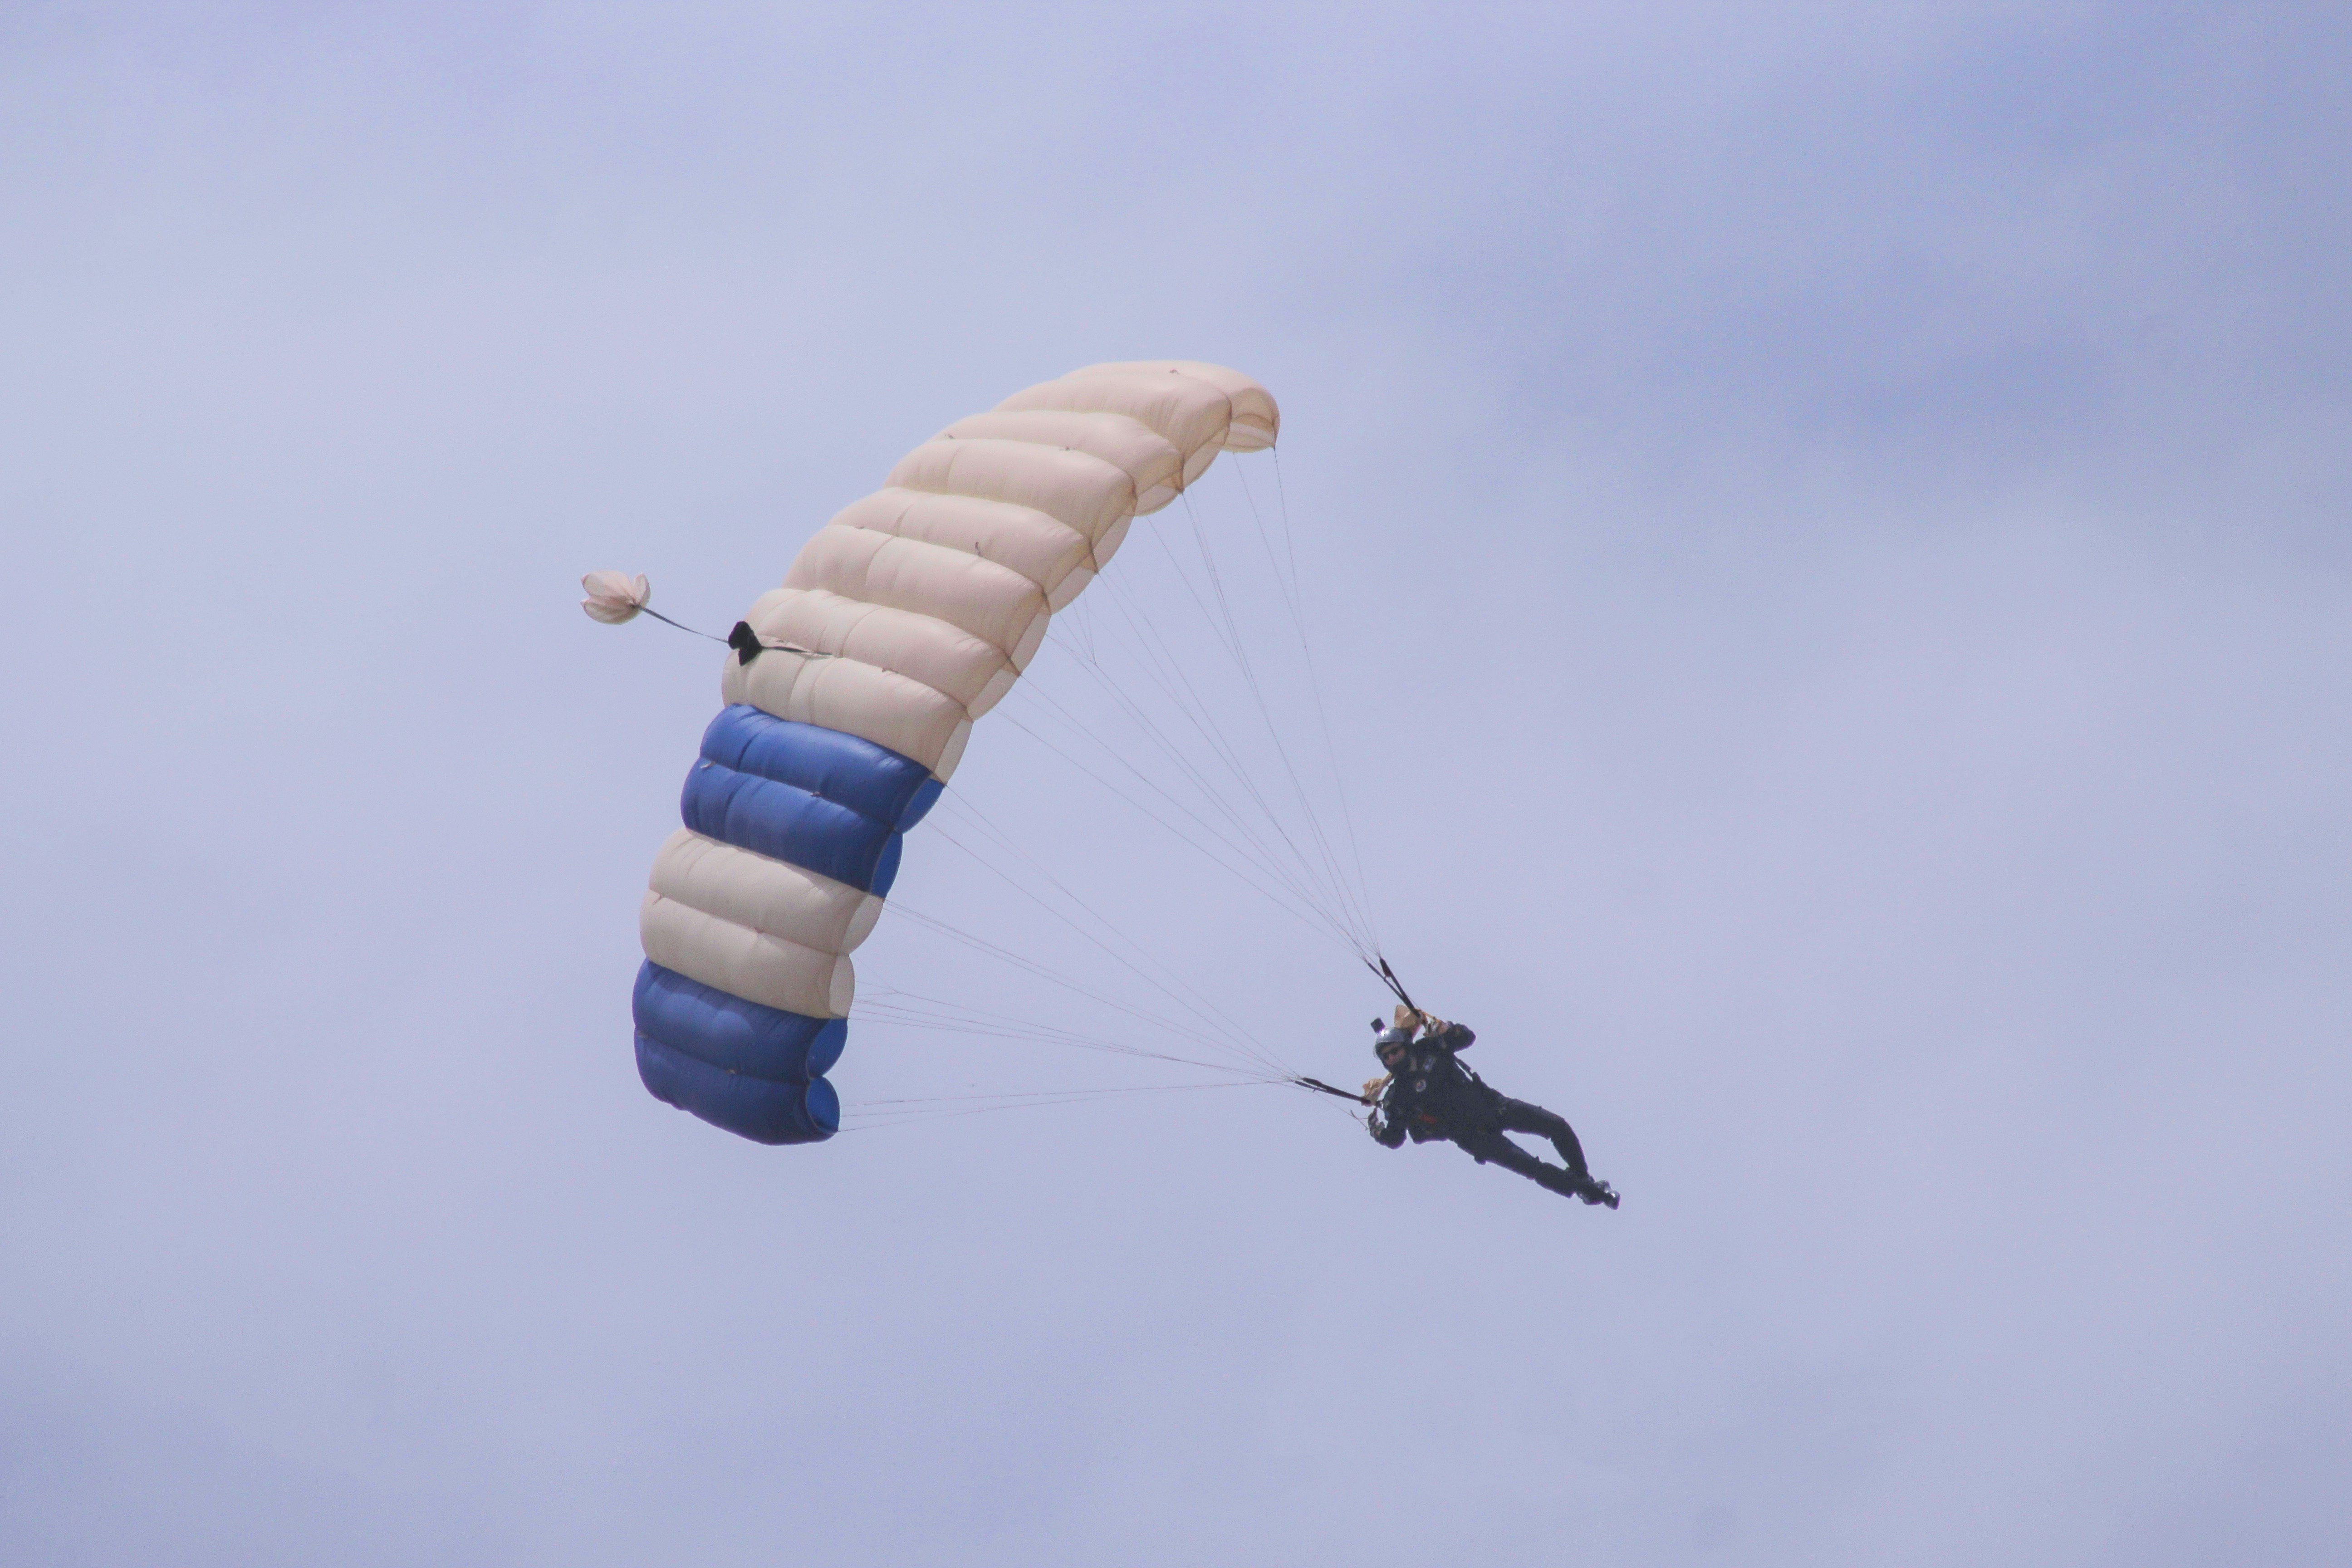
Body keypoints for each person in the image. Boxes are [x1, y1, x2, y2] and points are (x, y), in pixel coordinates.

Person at [1364, 1004, 1619, 1207]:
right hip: (1476, 1137)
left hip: (1494, 1106)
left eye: (1394, 1051)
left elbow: (1467, 1038)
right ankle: (1592, 1191)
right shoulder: (1398, 1097)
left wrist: (1445, 1029)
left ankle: (1584, 1178)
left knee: (1556, 1126)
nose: (1391, 1058)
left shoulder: (1430, 1048)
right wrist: (1377, 1131)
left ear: (1406, 1046)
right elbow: (1395, 1138)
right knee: (1532, 1167)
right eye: (1386, 1057)